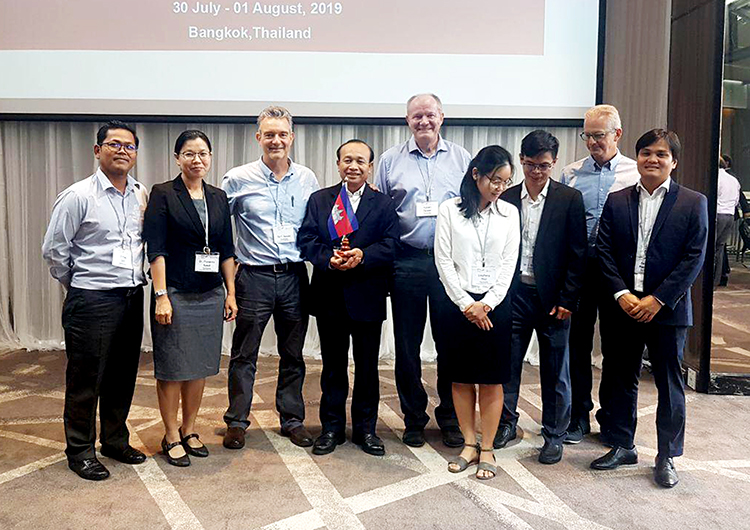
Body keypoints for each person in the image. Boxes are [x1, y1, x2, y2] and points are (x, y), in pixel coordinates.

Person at [591, 129, 708, 488]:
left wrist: (658, 299)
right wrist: (621, 294)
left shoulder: (693, 202)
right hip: (624, 306)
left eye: (661, 154)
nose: (652, 159)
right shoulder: (617, 200)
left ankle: (666, 455)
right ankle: (622, 444)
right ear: (637, 157)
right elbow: (603, 250)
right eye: (645, 152)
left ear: (674, 161)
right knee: (620, 377)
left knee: (669, 383)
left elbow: (694, 258)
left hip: (667, 309)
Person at [42, 121, 148, 480]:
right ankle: (80, 450)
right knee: (86, 378)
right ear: (97, 150)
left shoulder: (140, 193)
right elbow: (54, 250)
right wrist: (80, 285)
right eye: (114, 144)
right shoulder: (78, 196)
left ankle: (115, 440)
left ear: (136, 154)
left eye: (129, 146)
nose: (122, 151)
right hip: (92, 299)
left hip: (131, 296)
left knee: (122, 376)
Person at [375, 93, 472, 448]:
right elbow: (381, 212)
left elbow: (471, 209)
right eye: (417, 116)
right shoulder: (390, 161)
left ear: (442, 117)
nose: (424, 121)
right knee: (407, 345)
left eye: (430, 115)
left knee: (451, 343)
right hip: (407, 261)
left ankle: (450, 417)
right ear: (407, 121)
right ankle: (414, 417)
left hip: (450, 264)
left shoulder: (462, 158)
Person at [221, 106, 320, 450]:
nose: (275, 140)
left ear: (291, 137)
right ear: (258, 137)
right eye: (269, 134)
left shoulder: (307, 178)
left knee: (293, 354)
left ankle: (292, 420)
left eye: (282, 134)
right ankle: (237, 422)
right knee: (244, 354)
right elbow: (217, 228)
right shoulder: (238, 178)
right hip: (254, 278)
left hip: (294, 276)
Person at [298, 139, 400, 456]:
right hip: (329, 294)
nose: (353, 166)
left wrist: (363, 255)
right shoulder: (320, 199)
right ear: (338, 164)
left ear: (370, 167)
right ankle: (331, 428)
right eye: (347, 160)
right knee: (333, 367)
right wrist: (328, 258)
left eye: (360, 161)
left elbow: (392, 244)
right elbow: (306, 239)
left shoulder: (383, 204)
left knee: (368, 368)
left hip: (367, 294)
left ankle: (366, 430)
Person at [143, 130, 236, 467]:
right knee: (172, 367)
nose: (197, 160)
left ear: (210, 157)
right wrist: (161, 295)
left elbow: (226, 248)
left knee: (198, 366)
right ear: (177, 158)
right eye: (189, 154)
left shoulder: (218, 196)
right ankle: (170, 434)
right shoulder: (164, 193)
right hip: (176, 292)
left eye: (203, 154)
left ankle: (189, 429)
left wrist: (231, 292)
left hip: (210, 293)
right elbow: (156, 249)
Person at [496, 130, 587, 464]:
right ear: (521, 160)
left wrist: (568, 299)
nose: (537, 171)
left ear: (554, 163)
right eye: (531, 164)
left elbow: (578, 255)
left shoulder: (569, 199)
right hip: (514, 295)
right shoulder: (505, 198)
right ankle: (505, 423)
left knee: (555, 370)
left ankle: (554, 434)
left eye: (544, 165)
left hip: (553, 299)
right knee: (507, 366)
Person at [434, 146, 519, 479]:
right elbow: (443, 260)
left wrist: (488, 303)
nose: (499, 187)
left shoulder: (509, 213)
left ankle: (488, 448)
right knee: (460, 376)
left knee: (491, 379)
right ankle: (469, 444)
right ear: (476, 174)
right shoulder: (450, 210)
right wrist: (466, 303)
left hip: (495, 306)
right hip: (457, 304)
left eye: (505, 181)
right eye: (494, 180)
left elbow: (508, 264)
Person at [559, 105, 640, 443]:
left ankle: (611, 418)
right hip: (579, 270)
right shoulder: (570, 173)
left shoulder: (635, 173)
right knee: (576, 345)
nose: (592, 142)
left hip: (617, 274)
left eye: (599, 135)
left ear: (617, 134)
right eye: (587, 136)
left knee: (616, 348)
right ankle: (578, 416)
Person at [714, 156, 741, 287]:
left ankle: (706, 280)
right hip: (730, 215)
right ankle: (716, 280)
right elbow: (736, 200)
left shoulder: (716, 178)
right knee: (719, 249)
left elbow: (713, 197)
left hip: (718, 214)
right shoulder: (733, 180)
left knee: (710, 248)